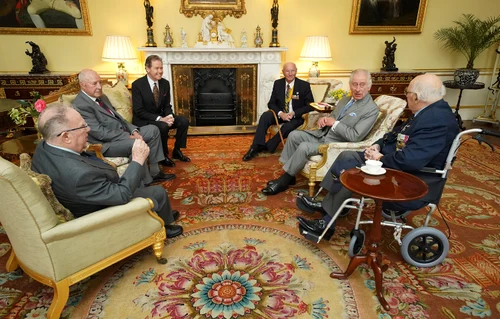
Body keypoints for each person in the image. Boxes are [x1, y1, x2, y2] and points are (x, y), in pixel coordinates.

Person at [296, 74, 460, 240]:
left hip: (410, 179)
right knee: (347, 156)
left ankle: (327, 224)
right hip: (394, 162)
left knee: (353, 169)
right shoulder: (427, 111)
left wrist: (380, 158)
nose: (406, 95)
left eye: (407, 91)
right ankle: (327, 206)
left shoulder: (436, 121)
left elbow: (410, 160)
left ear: (416, 97)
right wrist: (377, 145)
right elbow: (396, 134)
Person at [32, 103, 183, 238]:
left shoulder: (44, 146)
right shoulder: (79, 175)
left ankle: (162, 212)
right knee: (157, 192)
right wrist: (137, 160)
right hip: (100, 211)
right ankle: (163, 225)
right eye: (83, 126)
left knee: (140, 185)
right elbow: (122, 195)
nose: (88, 129)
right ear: (66, 137)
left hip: (94, 192)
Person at [261, 69, 379, 196]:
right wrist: (324, 119)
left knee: (304, 147)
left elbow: (355, 136)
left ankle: (284, 180)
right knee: (294, 135)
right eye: (354, 84)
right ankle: (290, 176)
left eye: (362, 84)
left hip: (336, 143)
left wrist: (334, 123)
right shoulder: (345, 100)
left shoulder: (370, 109)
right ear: (350, 85)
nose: (357, 89)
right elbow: (333, 116)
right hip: (323, 134)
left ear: (369, 86)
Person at [73, 69, 174, 185]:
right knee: (135, 144)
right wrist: (127, 136)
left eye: (100, 82)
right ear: (83, 85)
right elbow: (100, 133)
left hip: (122, 133)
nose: (99, 86)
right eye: (94, 83)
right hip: (105, 144)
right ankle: (145, 183)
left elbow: (119, 118)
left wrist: (134, 130)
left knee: (153, 130)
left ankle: (155, 172)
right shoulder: (81, 105)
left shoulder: (102, 97)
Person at [242, 62, 314, 161]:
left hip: (296, 117)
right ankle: (255, 147)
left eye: (292, 71)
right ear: (283, 72)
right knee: (265, 116)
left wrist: (294, 113)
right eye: (287, 71)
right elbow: (271, 103)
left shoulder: (304, 85)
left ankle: (268, 146)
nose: (290, 73)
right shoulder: (278, 84)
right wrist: (281, 113)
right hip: (281, 114)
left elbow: (310, 105)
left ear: (296, 71)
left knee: (287, 126)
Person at [132, 55, 191, 167]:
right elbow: (139, 111)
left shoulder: (165, 83)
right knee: (163, 126)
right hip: (144, 120)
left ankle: (177, 150)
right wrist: (161, 119)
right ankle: (163, 155)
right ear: (148, 69)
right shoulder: (137, 85)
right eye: (156, 68)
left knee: (183, 121)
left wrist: (169, 116)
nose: (160, 71)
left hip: (160, 117)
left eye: (161, 68)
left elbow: (166, 105)